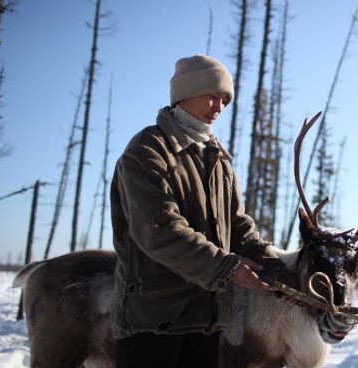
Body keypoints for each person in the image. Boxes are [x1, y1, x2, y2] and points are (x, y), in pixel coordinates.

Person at [110, 54, 291, 368]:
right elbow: (160, 230)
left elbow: (239, 228)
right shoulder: (147, 151)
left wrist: (279, 271)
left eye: (224, 100)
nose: (219, 106)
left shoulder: (218, 160)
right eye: (212, 95)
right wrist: (226, 268)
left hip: (207, 320)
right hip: (153, 322)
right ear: (183, 94)